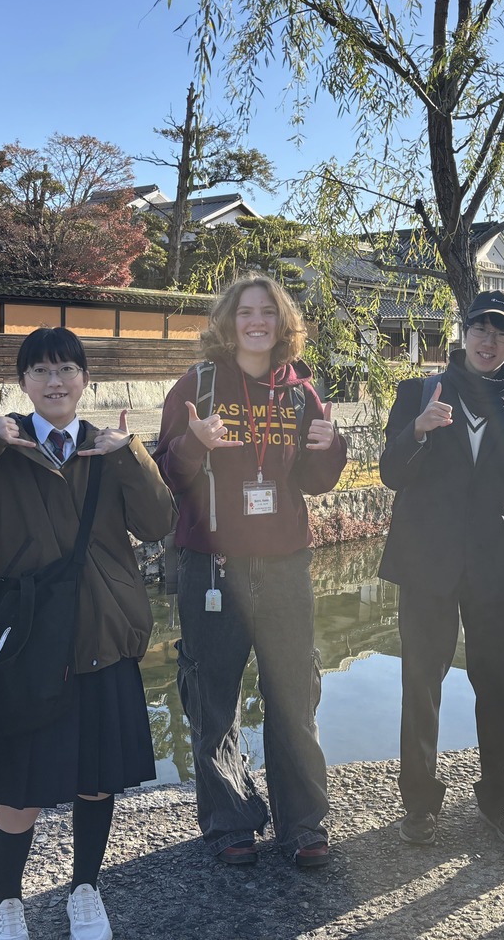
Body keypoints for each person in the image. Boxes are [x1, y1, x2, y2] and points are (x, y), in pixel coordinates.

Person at [0, 327, 174, 940]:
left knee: (97, 782)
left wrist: (131, 454)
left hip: (102, 632)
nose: (55, 381)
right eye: (41, 370)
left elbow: (158, 522)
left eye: (67, 368)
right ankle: (4, 899)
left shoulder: (108, 447)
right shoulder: (0, 446)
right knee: (19, 791)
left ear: (84, 379)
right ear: (22, 381)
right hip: (26, 645)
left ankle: (85, 889)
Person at [153, 274, 347, 868]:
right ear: (228, 321)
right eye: (245, 312)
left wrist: (331, 448)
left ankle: (303, 823)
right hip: (212, 568)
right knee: (213, 696)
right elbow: (164, 475)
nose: (257, 321)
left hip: (285, 564)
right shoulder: (197, 385)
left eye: (268, 311)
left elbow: (314, 482)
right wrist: (194, 442)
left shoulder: (301, 392)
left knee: (293, 694)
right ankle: (229, 820)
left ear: (284, 323)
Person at [377, 289, 504, 846]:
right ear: (464, 330)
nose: (488, 341)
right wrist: (418, 430)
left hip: (497, 560)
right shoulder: (418, 392)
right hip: (426, 558)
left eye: (502, 333)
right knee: (420, 684)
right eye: (481, 328)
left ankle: (501, 800)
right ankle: (419, 804)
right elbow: (391, 473)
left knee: (497, 686)